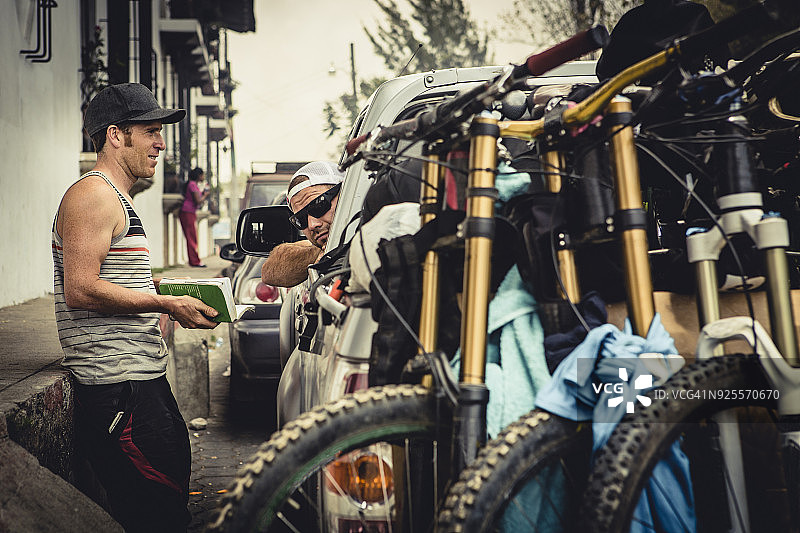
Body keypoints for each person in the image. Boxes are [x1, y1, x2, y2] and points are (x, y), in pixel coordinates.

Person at [53, 82, 220, 532]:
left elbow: (111, 279)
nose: (160, 142)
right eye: (149, 131)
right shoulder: (92, 196)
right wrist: (163, 301)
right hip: (117, 390)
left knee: (165, 505)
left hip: (140, 381)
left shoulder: (117, 198)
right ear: (114, 135)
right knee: (157, 516)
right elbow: (81, 288)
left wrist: (165, 290)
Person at [261, 161, 343, 287]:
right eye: (301, 219)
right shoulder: (317, 248)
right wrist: (331, 250)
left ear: (344, 194)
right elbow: (269, 273)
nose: (312, 225)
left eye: (318, 206)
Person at [179, 167, 210, 267]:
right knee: (192, 237)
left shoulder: (193, 184)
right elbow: (198, 200)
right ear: (198, 175)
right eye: (202, 175)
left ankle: (194, 260)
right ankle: (195, 261)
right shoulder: (192, 184)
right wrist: (205, 195)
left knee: (191, 237)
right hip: (187, 212)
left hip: (189, 212)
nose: (203, 177)